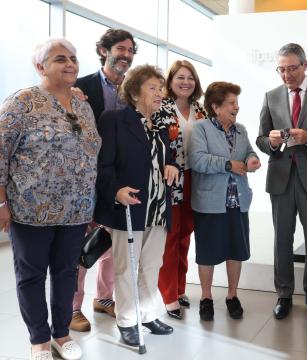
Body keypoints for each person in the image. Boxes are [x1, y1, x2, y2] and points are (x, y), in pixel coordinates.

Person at [0, 38, 101, 360]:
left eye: (73, 57)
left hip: (77, 210)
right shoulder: (21, 102)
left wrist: (93, 203)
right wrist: (1, 203)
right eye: (60, 59)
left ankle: (61, 334)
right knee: (31, 275)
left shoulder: (82, 104)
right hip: (31, 210)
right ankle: (39, 340)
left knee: (66, 273)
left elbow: (91, 154)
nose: (70, 63)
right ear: (40, 66)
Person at [94, 64, 178, 346]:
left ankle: (147, 313)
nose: (159, 93)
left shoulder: (161, 125)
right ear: (134, 91)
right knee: (126, 267)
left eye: (161, 88)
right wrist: (115, 190)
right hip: (130, 206)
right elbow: (103, 165)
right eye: (153, 88)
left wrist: (172, 166)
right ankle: (127, 319)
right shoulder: (114, 119)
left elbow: (168, 157)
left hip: (159, 208)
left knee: (152, 265)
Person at [255, 43, 307, 320]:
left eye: (292, 68)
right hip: (281, 179)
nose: (287, 74)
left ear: (305, 65)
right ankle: (284, 294)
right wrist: (273, 142)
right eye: (282, 69)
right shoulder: (271, 96)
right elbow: (261, 139)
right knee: (282, 239)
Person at [71, 28, 137, 332]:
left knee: (112, 242)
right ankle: (72, 308)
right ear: (103, 51)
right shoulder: (79, 87)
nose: (126, 55)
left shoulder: (134, 91)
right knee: (80, 246)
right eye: (120, 49)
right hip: (84, 179)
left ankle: (104, 298)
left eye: (130, 50)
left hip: (119, 180)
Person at [189, 81, 261, 321]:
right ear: (215, 106)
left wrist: (251, 159)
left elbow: (249, 152)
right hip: (210, 202)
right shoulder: (200, 129)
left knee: (236, 251)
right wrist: (229, 165)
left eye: (236, 102)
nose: (236, 107)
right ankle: (206, 298)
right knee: (207, 253)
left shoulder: (240, 129)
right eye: (231, 103)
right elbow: (198, 161)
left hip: (238, 202)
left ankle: (232, 296)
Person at [155, 60, 207, 320]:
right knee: (171, 237)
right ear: (170, 81)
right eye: (180, 78)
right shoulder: (161, 108)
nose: (186, 82)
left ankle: (180, 287)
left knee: (186, 234)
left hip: (196, 179)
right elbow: (154, 143)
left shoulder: (200, 109)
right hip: (170, 180)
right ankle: (168, 295)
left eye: (190, 78)